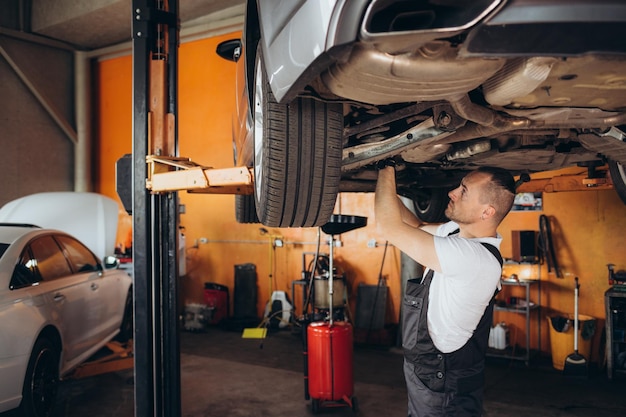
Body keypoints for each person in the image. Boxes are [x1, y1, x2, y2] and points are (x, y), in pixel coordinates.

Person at [375, 164, 516, 417]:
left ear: (487, 212)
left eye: (463, 191)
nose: (451, 192)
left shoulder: (475, 258)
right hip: (429, 373)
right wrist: (388, 188)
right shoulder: (454, 234)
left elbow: (389, 229)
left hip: (445, 387)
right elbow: (414, 227)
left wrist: (385, 167)